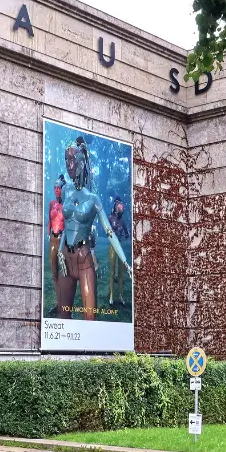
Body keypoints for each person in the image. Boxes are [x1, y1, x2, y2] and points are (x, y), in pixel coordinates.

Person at [55, 137, 132, 320]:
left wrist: (125, 262)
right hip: (65, 257)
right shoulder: (66, 191)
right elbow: (67, 225)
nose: (69, 164)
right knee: (63, 314)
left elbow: (109, 231)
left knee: (90, 317)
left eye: (73, 159)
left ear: (82, 163)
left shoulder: (93, 198)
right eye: (67, 160)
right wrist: (59, 250)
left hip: (84, 258)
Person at [107, 197, 129, 305]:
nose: (121, 206)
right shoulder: (110, 218)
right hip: (112, 246)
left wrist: (125, 236)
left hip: (120, 246)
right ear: (115, 207)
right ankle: (111, 294)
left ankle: (120, 295)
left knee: (121, 272)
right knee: (112, 272)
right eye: (119, 205)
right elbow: (107, 231)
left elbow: (127, 234)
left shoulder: (123, 221)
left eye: (122, 205)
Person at [48, 175, 66, 281]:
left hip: (62, 239)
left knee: (64, 266)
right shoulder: (52, 204)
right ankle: (56, 286)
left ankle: (63, 289)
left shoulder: (67, 205)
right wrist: (47, 234)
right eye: (55, 188)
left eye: (58, 188)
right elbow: (50, 221)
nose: (56, 190)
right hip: (52, 238)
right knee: (53, 265)